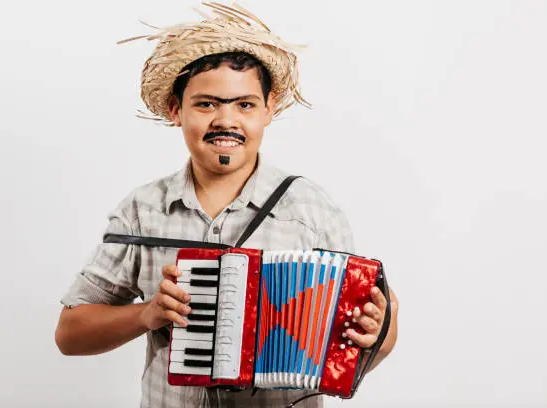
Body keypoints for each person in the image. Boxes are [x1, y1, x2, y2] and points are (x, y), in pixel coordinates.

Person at [55, 3, 399, 407]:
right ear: (175, 110)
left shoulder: (313, 209)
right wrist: (147, 314)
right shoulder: (142, 209)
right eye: (206, 104)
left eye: (244, 104)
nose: (226, 120)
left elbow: (373, 338)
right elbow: (69, 334)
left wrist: (377, 333)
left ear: (268, 110)